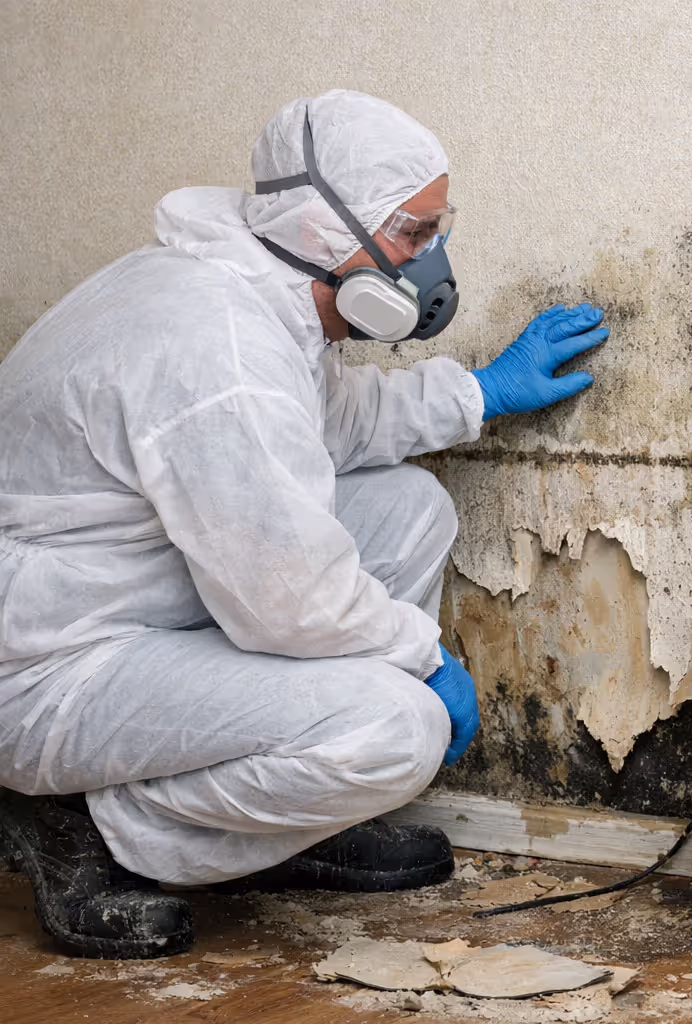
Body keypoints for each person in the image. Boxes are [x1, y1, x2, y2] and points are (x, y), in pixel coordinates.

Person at [0, 90, 608, 959]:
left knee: (405, 508)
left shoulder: (249, 293)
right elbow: (291, 599)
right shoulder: (221, 350)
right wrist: (424, 659)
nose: (430, 264)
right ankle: (78, 823)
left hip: (122, 597)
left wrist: (479, 392)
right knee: (398, 730)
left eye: (437, 231)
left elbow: (329, 425)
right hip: (49, 670)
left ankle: (276, 829)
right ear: (331, 235)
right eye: (413, 235)